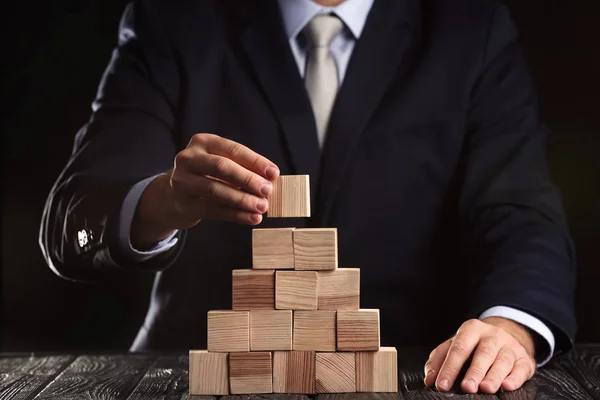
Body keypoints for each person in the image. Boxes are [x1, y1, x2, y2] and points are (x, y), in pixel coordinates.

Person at [39, 0, 576, 394]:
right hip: (192, 375)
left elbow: (521, 209)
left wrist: (511, 325)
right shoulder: (173, 19)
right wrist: (161, 202)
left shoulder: (470, 27)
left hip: (413, 374)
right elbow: (74, 220)